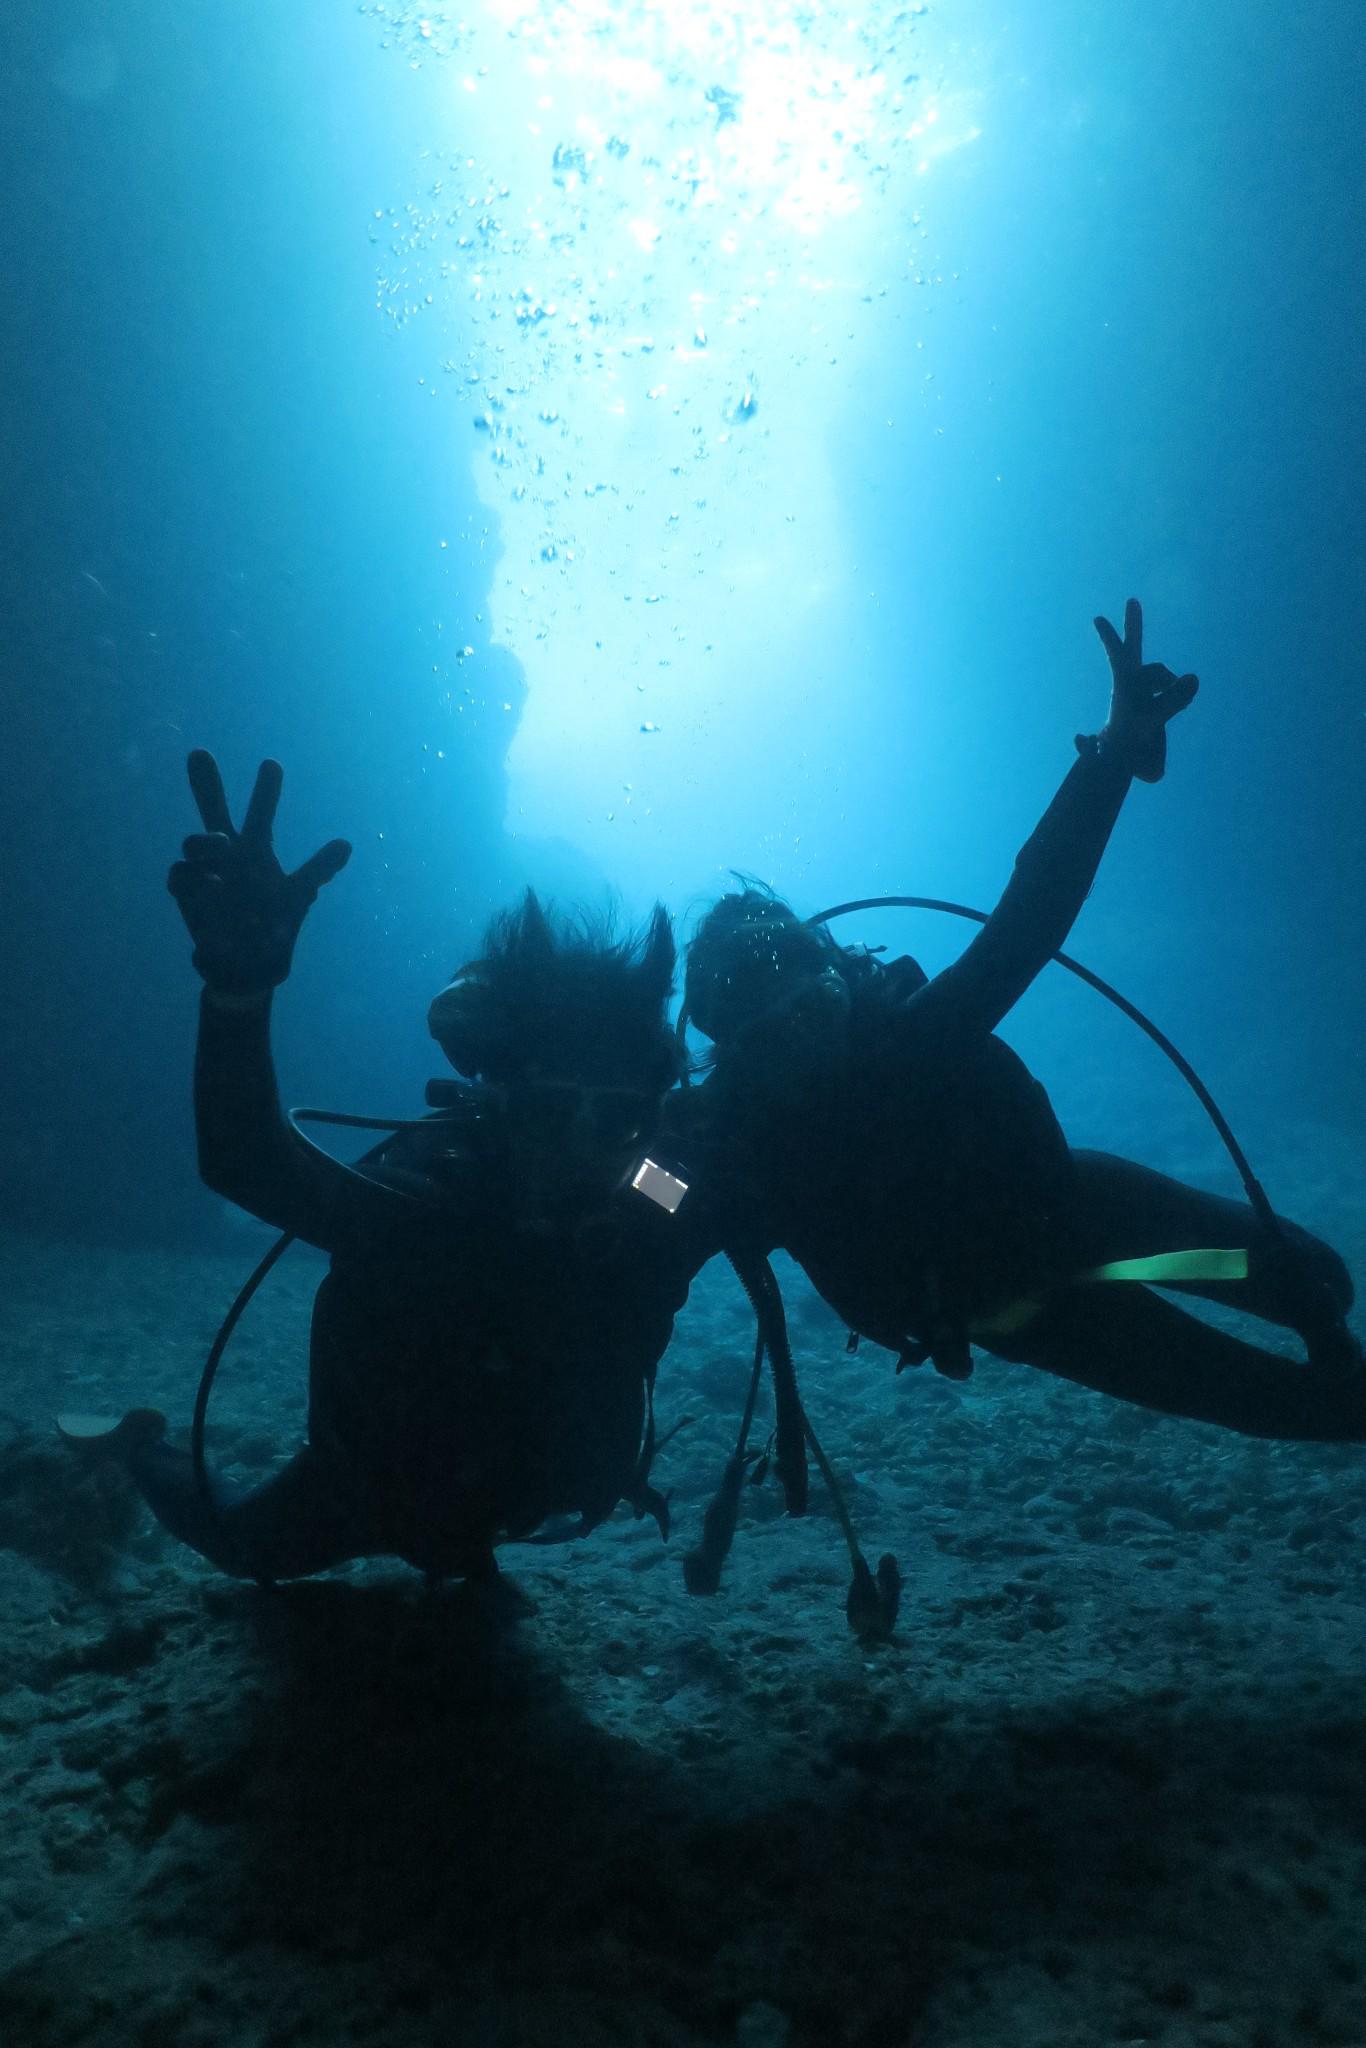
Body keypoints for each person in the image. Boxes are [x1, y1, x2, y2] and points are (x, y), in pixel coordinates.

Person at [683, 600, 1366, 1442]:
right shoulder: (746, 1147)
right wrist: (631, 1162)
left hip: (1076, 1206)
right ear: (739, 1057)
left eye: (817, 1008)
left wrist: (1112, 757)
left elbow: (1029, 919)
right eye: (777, 1038)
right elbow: (673, 1204)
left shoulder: (913, 1039)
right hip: (1021, 1312)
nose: (813, 1043)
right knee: (1312, 1408)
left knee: (1320, 1280)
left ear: (841, 981)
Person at [60, 751, 709, 1584]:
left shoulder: (658, 1193)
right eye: (554, 1110)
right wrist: (237, 990)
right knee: (245, 1547)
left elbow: (727, 1179)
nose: (587, 1147)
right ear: (501, 1097)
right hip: (375, 1489)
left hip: (529, 1492)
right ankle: (139, 1444)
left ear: (648, 1118)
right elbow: (246, 1163)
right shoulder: (435, 1207)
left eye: (617, 1117)